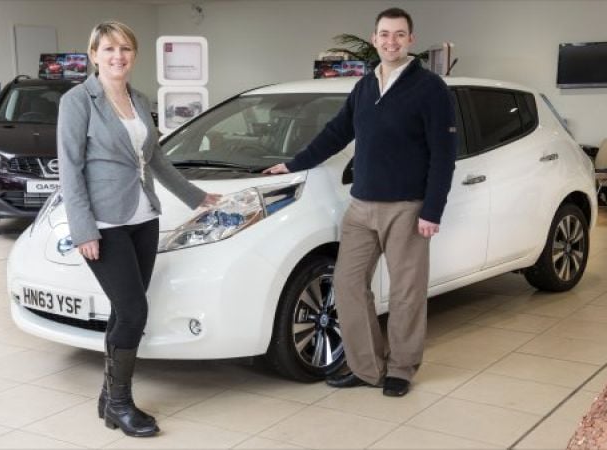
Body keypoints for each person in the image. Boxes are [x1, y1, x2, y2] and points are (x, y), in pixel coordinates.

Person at [264, 7, 456, 397]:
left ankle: (401, 368)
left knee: (405, 292)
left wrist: (432, 209)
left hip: (407, 207)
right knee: (348, 284)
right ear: (374, 39)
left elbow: (444, 153)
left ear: (411, 40)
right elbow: (336, 132)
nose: (391, 41)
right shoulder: (365, 86)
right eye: (384, 34)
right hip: (361, 206)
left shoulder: (430, 87)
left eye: (399, 35)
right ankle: (366, 367)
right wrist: (294, 163)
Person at [57, 21, 220, 437]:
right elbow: (70, 170)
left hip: (144, 218)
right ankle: (120, 403)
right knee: (134, 311)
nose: (118, 56)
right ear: (94, 55)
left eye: (125, 49)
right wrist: (83, 229)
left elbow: (156, 159)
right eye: (109, 49)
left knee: (123, 309)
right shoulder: (78, 101)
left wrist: (197, 196)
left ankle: (109, 397)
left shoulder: (139, 98)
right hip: (105, 223)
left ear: (134, 55)